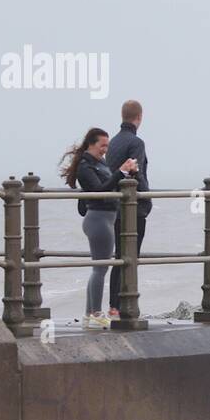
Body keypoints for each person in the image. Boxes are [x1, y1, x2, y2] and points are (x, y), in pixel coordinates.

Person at [59, 128, 138, 329]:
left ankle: (89, 314)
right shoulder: (86, 166)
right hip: (98, 219)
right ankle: (95, 313)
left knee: (99, 268)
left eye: (107, 145)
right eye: (102, 145)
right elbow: (99, 192)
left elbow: (110, 185)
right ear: (91, 144)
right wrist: (120, 171)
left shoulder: (99, 163)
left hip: (106, 219)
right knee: (100, 268)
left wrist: (127, 173)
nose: (105, 149)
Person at [105, 99, 151, 316]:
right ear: (139, 118)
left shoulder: (112, 143)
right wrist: (146, 198)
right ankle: (127, 305)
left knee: (120, 257)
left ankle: (114, 304)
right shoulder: (136, 143)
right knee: (131, 257)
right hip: (133, 209)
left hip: (115, 207)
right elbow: (136, 173)